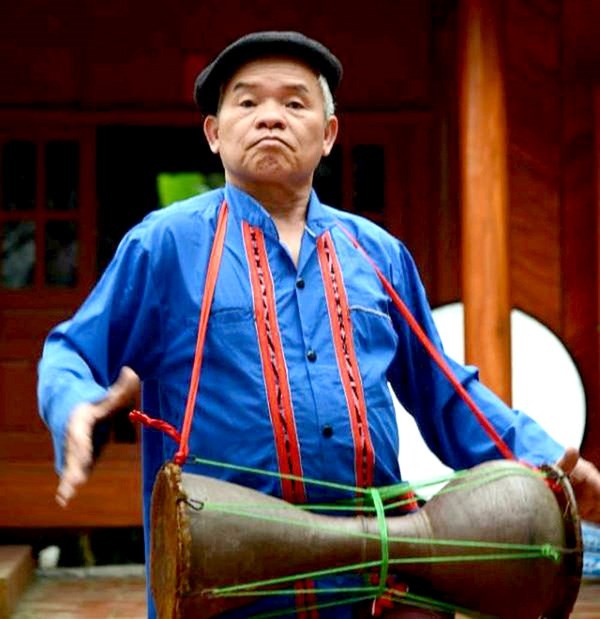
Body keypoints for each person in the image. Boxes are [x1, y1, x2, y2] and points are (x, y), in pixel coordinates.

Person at [38, 31, 600, 618]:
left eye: (295, 103)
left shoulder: (376, 255)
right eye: (248, 102)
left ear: (329, 134)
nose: (270, 118)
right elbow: (71, 353)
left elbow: (448, 393)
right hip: (222, 584)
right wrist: (77, 405)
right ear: (214, 133)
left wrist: (542, 459)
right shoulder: (165, 245)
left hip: (370, 594)